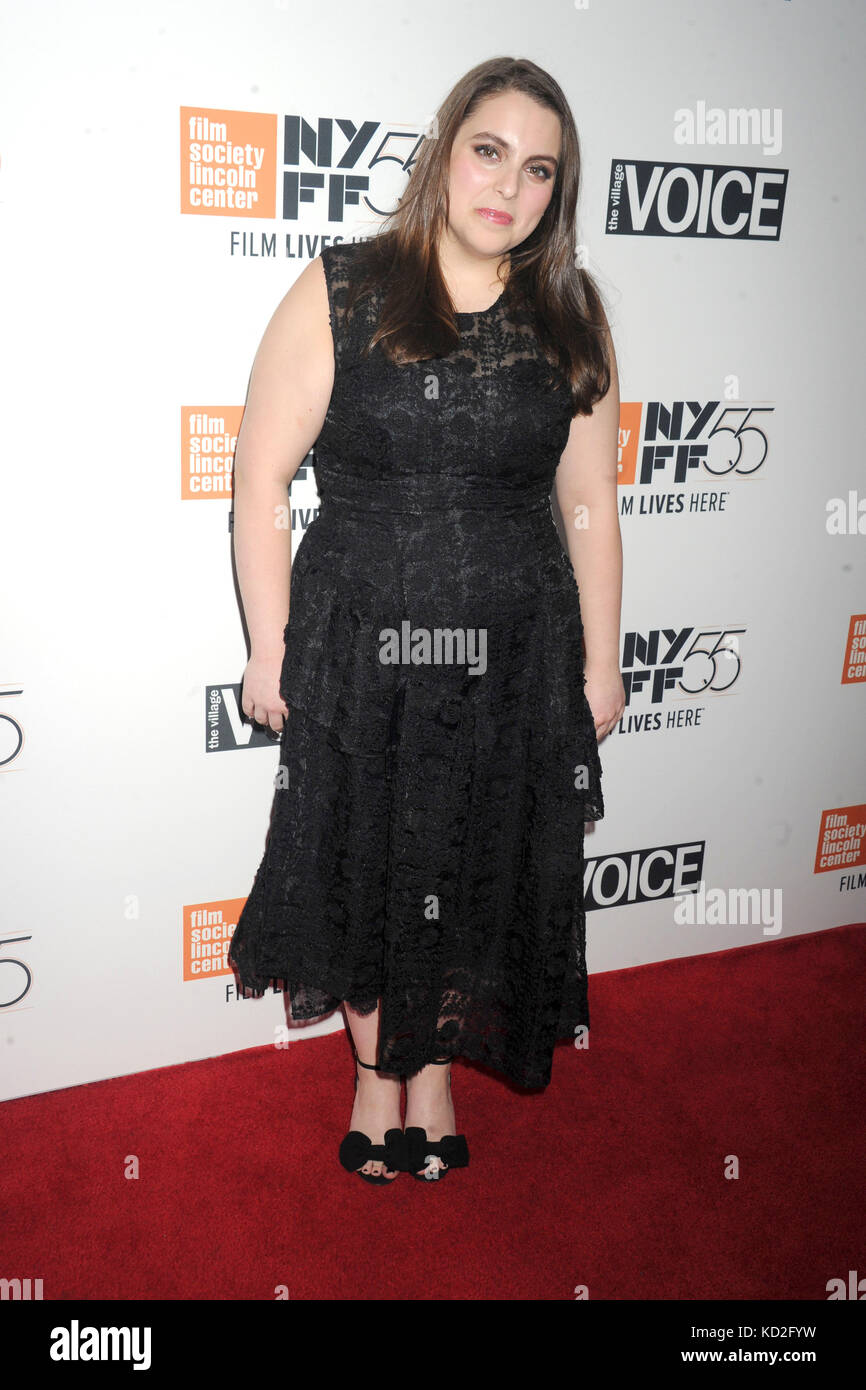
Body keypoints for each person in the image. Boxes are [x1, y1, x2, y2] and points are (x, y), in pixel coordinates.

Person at [228, 56, 625, 1184]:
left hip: (515, 652)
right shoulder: (345, 286)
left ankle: (436, 1070)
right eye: (488, 151)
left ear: (557, 190)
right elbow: (259, 485)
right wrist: (268, 643)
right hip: (362, 642)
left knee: (480, 857)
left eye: (538, 169)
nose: (508, 186)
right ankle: (370, 1074)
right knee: (358, 859)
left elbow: (589, 506)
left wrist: (602, 661)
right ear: (444, 152)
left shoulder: (568, 313)